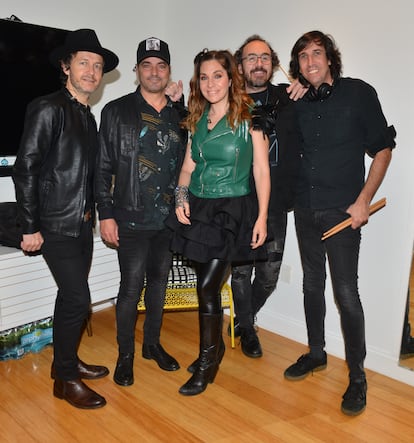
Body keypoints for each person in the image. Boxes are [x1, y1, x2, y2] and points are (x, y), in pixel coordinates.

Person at [283, 30, 396, 416]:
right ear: (297, 65)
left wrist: (363, 201)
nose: (311, 61)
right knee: (312, 284)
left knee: (346, 292)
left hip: (343, 213)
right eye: (302, 56)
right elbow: (255, 102)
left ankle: (358, 376)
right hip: (304, 207)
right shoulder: (293, 101)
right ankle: (316, 353)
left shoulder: (359, 93)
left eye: (317, 53)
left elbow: (383, 148)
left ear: (330, 58)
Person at [13, 29, 119, 409]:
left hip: (82, 225)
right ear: (65, 66)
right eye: (83, 62)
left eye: (97, 65)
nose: (91, 71)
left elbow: (92, 176)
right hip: (55, 224)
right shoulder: (48, 108)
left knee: (68, 299)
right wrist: (29, 225)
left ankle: (69, 361)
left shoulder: (87, 118)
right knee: (78, 299)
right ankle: (65, 380)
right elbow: (25, 168)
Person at [167, 49, 270, 396]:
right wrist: (181, 197)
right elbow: (187, 166)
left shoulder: (249, 117)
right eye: (205, 77)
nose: (211, 83)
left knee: (207, 287)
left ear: (231, 78)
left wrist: (263, 216)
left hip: (232, 208)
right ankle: (216, 348)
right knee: (205, 285)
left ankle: (208, 361)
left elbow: (260, 169)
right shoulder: (196, 119)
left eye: (218, 75)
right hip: (199, 206)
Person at [95, 37, 188, 387]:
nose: (154, 71)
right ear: (137, 71)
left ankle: (151, 345)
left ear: (168, 72)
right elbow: (102, 168)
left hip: (167, 220)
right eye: (147, 65)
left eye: (161, 65)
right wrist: (106, 213)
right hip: (130, 216)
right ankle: (126, 355)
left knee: (159, 287)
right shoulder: (116, 111)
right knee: (130, 289)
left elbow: (189, 162)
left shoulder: (180, 114)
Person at [230, 35, 302, 358]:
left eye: (263, 57)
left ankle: (241, 320)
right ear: (240, 65)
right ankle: (247, 329)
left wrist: (309, 88)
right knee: (241, 271)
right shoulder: (228, 99)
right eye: (250, 58)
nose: (258, 63)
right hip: (238, 201)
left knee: (269, 276)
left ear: (272, 63)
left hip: (275, 203)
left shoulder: (290, 97)